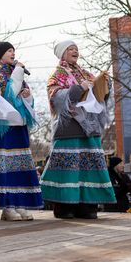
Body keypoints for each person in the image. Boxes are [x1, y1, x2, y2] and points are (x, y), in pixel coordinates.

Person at [40, 40, 115, 219]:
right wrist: (77, 89)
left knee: (90, 167)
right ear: (62, 53)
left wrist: (105, 85)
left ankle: (88, 206)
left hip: (89, 130)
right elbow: (56, 99)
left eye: (76, 49)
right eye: (70, 49)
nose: (75, 51)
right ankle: (64, 206)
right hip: (68, 130)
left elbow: (99, 95)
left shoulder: (86, 73)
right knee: (67, 169)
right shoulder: (56, 75)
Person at [0, 41, 43, 221]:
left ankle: (21, 203)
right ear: (0, 55)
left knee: (21, 166)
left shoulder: (14, 73)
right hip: (4, 127)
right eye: (9, 50)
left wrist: (28, 96)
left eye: (13, 50)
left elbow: (23, 94)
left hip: (19, 125)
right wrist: (18, 72)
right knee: (7, 167)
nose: (12, 53)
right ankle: (8, 206)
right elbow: (8, 93)